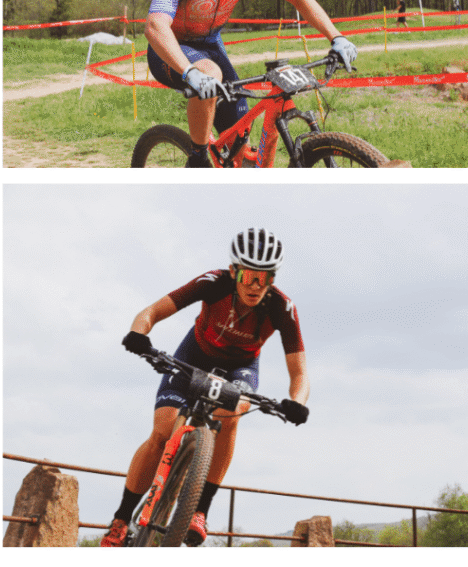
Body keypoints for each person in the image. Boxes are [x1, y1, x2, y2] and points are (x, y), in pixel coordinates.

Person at [99, 229, 310, 547]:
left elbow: (300, 372)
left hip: (240, 368)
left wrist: (298, 402)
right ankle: (120, 519)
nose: (256, 286)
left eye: (265, 278)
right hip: (194, 356)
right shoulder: (213, 283)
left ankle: (199, 511)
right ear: (234, 271)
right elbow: (151, 312)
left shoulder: (282, 308)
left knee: (232, 412)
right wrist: (138, 334)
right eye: (250, 276)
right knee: (162, 431)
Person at [145, 0, 357, 168]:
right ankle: (197, 160)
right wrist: (190, 71)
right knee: (210, 73)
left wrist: (336, 36)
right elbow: (155, 25)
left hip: (210, 43)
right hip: (171, 49)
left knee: (239, 130)